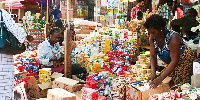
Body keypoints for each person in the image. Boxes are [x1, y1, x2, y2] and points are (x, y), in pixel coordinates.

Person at [143, 14, 196, 88]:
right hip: (172, 61)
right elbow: (153, 55)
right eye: (150, 33)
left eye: (153, 32)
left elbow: (175, 60)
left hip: (184, 60)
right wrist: (153, 73)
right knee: (162, 81)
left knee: (178, 85)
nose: (151, 35)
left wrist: (161, 78)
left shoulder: (173, 38)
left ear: (160, 28)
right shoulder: (153, 38)